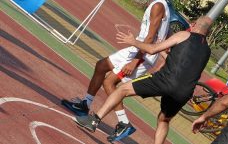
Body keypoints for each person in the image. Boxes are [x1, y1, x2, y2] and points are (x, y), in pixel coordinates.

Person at [61, 0, 172, 142]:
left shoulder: (158, 5)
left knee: (109, 83)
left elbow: (151, 36)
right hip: (138, 49)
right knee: (101, 65)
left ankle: (124, 123)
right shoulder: (157, 3)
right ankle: (85, 105)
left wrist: (134, 62)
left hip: (142, 54)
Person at [74, 16, 213, 144]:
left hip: (165, 80)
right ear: (208, 32)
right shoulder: (207, 50)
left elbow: (152, 49)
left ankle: (94, 120)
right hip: (185, 91)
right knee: (164, 120)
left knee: (122, 89)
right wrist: (165, 53)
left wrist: (133, 41)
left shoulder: (184, 35)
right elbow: (182, 63)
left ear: (193, 25)